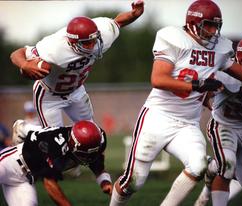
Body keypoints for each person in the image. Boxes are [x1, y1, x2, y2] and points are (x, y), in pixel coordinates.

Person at [109, 1, 242, 206]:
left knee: (199, 164)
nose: (213, 32)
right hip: (158, 117)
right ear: (193, 23)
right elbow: (158, 79)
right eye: (209, 25)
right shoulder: (173, 38)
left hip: (187, 124)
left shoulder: (219, 49)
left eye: (216, 26)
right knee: (133, 182)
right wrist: (198, 84)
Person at [10, 1, 144, 205]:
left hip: (76, 91)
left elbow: (118, 22)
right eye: (87, 43)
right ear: (72, 42)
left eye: (93, 40)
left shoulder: (102, 33)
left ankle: (102, 177)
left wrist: (134, 14)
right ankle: (25, 128)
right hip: (50, 95)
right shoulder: (53, 49)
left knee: (93, 136)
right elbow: (16, 54)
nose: (92, 46)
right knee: (55, 145)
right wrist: (26, 64)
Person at [194, 30, 242, 206]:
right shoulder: (227, 75)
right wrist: (210, 105)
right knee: (227, 165)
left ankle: (212, 167)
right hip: (223, 125)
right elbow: (201, 90)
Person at [1, 120, 112, 206]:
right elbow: (49, 183)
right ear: (73, 145)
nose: (88, 158)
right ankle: (22, 129)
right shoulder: (54, 144)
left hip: (25, 181)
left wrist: (104, 182)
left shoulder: (93, 141)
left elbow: (94, 160)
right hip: (11, 163)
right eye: (84, 155)